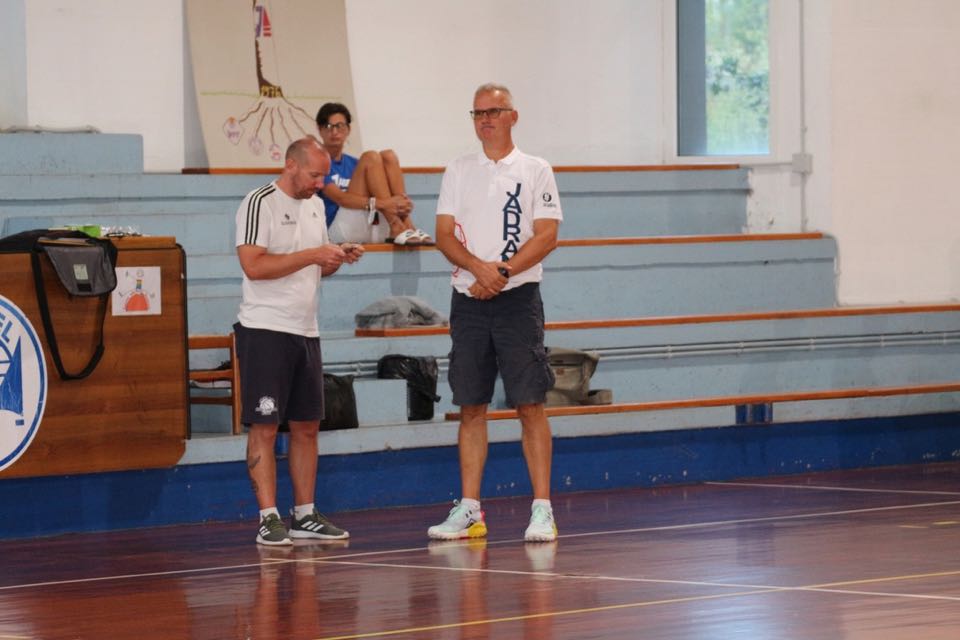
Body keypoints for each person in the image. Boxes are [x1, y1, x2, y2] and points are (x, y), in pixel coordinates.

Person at [430, 83, 563, 543]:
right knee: (471, 405)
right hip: (469, 300)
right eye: (478, 112)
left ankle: (542, 509)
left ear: (513, 116)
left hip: (517, 299)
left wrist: (501, 272)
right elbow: (443, 234)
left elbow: (547, 235)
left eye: (494, 111)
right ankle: (469, 509)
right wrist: (478, 269)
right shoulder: (458, 169)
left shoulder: (536, 169)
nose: (485, 119)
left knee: (530, 403)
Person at [234, 137, 364, 546]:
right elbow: (253, 266)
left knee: (307, 426)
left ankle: (304, 514)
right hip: (265, 328)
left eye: (324, 176)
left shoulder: (314, 205)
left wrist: (335, 257)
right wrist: (313, 255)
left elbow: (315, 267)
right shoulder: (260, 202)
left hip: (306, 329)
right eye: (314, 175)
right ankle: (268, 517)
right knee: (265, 424)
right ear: (290, 164)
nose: (320, 183)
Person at [315, 102, 433, 245]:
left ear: (348, 129)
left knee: (389, 156)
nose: (334, 132)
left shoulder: (355, 164)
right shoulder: (318, 163)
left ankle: (407, 224)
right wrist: (387, 204)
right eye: (328, 126)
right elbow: (341, 199)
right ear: (320, 130)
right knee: (371, 157)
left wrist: (401, 205)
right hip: (338, 230)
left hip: (368, 221)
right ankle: (395, 223)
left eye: (339, 126)